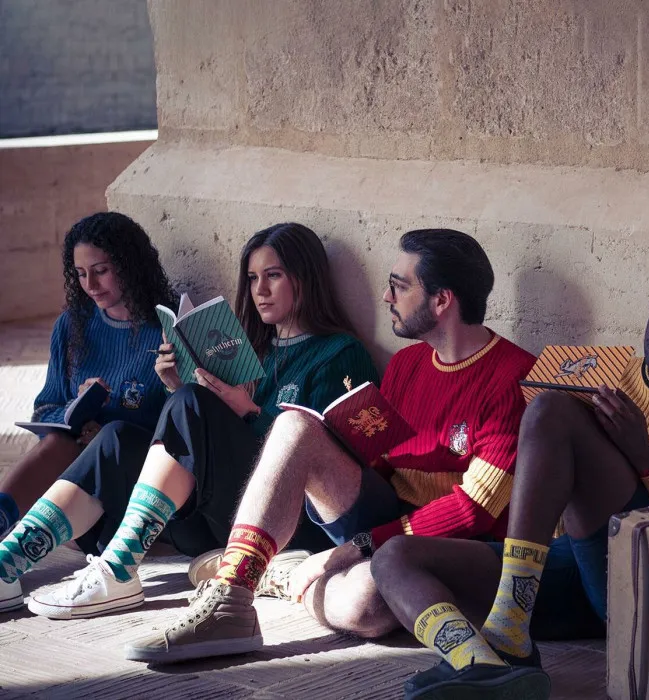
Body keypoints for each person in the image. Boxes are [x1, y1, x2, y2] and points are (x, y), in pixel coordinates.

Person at [121, 227, 537, 664]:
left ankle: (286, 576)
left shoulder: (514, 377)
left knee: (366, 606)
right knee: (294, 425)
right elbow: (382, 462)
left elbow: (474, 511)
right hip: (387, 521)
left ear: (442, 300)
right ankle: (231, 598)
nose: (386, 297)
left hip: (452, 542)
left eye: (398, 286)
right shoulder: (407, 363)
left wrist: (355, 548)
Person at [0, 222, 378, 618]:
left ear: (306, 278)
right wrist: (177, 386)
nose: (260, 290)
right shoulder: (253, 348)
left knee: (191, 402)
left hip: (285, 525)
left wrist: (246, 411)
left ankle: (118, 570)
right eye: (252, 278)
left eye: (273, 276)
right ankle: (8, 563)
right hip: (213, 521)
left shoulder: (340, 353)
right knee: (117, 437)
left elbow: (324, 463)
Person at [369, 266, 649, 699]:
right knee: (392, 558)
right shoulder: (610, 372)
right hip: (552, 575)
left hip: (637, 581)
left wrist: (644, 455)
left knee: (550, 410)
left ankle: (507, 634)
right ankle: (483, 662)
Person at [0, 212, 175, 611]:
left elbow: (182, 427)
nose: (90, 285)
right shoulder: (72, 325)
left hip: (137, 496)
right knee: (60, 441)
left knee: (112, 437)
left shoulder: (166, 325)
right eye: (80, 274)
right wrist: (75, 409)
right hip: (75, 502)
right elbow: (46, 408)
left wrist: (109, 429)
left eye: (101, 271)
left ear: (129, 265)